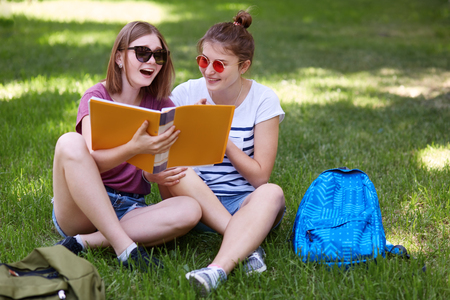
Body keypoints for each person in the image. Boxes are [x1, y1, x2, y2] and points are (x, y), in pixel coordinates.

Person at [52, 21, 202, 270]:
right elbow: (91, 162)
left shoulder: (162, 105)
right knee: (69, 142)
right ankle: (125, 249)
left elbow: (159, 172)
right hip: (83, 208)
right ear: (119, 57)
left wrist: (154, 173)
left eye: (159, 55)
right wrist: (134, 147)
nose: (152, 61)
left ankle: (84, 243)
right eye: (143, 52)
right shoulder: (96, 97)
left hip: (130, 209)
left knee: (190, 209)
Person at [163, 10, 286, 294]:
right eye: (203, 61)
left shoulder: (263, 100)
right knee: (178, 170)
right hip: (193, 203)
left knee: (273, 193)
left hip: (247, 205)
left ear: (243, 67)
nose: (208, 71)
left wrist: (219, 135)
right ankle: (245, 243)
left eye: (220, 65)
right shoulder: (185, 94)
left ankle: (215, 271)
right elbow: (166, 162)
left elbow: (259, 178)